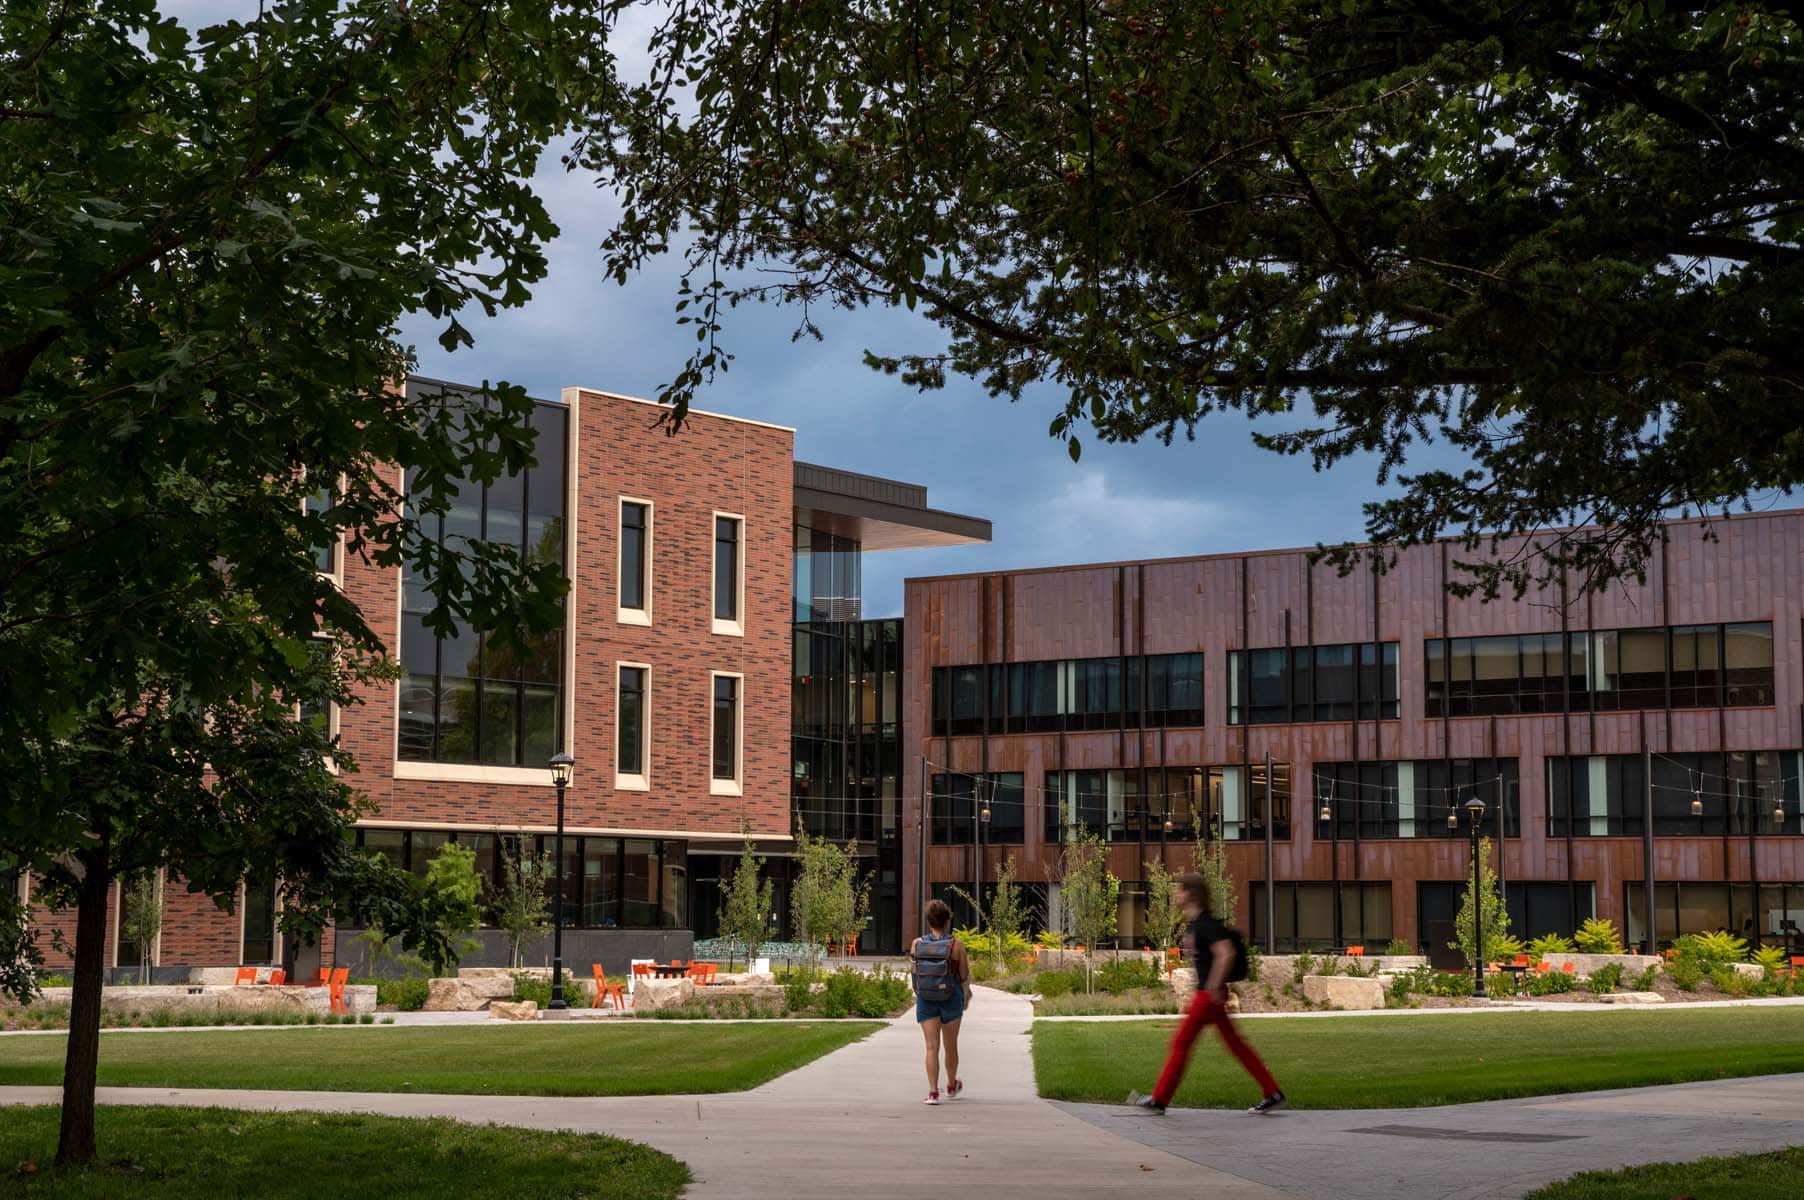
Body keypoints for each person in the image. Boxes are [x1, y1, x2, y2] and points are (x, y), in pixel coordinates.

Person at [1129, 873, 1285, 1115]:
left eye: (1179, 890)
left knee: (1181, 1042)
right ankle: (1272, 1091)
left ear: (1191, 894)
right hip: (1211, 995)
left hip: (1208, 996)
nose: (1176, 895)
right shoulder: (1195, 924)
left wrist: (1212, 985)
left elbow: (1225, 952)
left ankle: (1159, 1099)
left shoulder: (1206, 924)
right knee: (1236, 1045)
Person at [909, 898, 972, 1105]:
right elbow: (963, 976)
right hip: (951, 999)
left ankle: (933, 1092)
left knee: (931, 1047)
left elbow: (914, 973)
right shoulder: (956, 945)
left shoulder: (917, 944)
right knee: (950, 1045)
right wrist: (965, 998)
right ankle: (952, 1085)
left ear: (929, 921)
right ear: (947, 921)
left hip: (926, 1000)